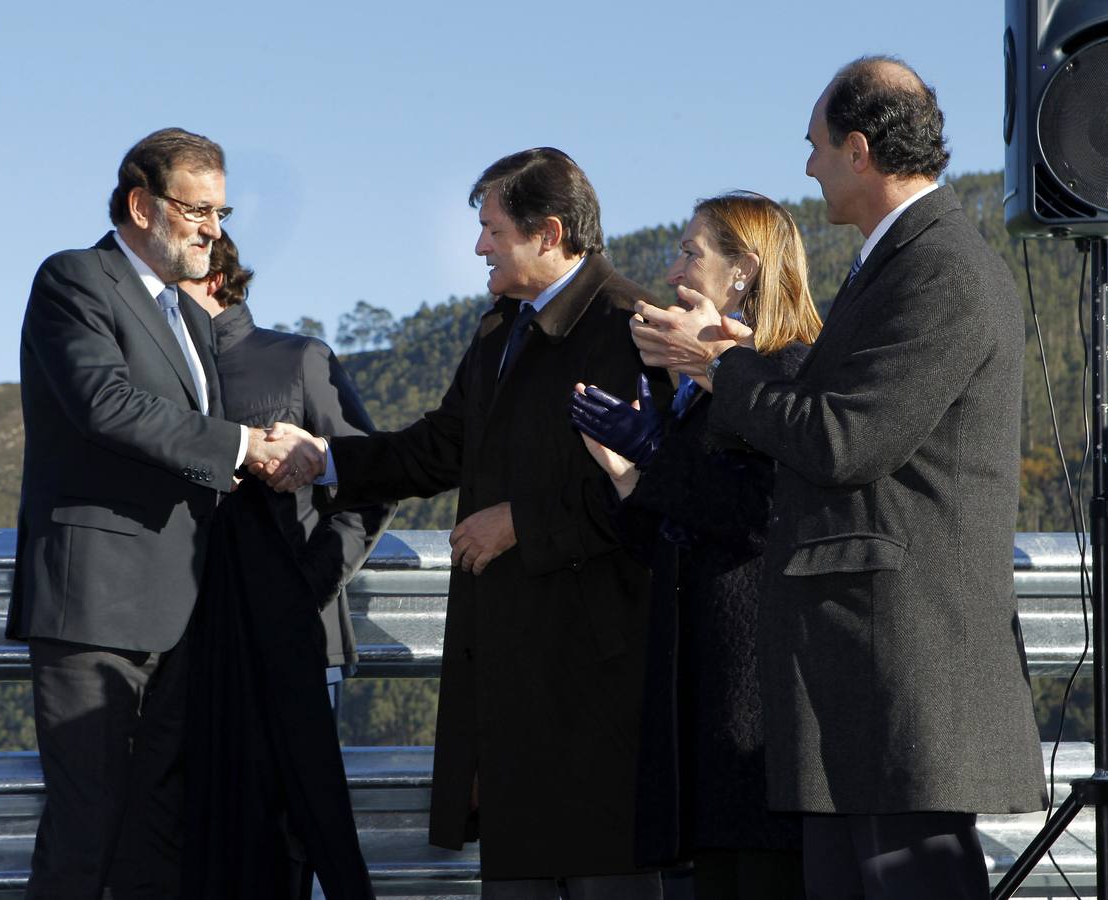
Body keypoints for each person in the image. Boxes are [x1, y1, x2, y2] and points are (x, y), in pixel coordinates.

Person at [627, 57, 1047, 899]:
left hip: (901, 667)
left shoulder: (941, 269)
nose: (808, 166)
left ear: (859, 149)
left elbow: (845, 439)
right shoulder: (893, 263)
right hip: (859, 666)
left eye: (816, 146)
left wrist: (719, 370)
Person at [263, 148, 671, 898]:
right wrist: (326, 459)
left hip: (599, 685)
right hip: (512, 682)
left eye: (491, 229)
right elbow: (440, 447)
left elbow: (656, 497)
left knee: (608, 876)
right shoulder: (499, 332)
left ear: (548, 233)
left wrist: (521, 522)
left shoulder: (629, 329)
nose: (480, 246)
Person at [8, 128, 323, 899]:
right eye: (198, 210)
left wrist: (286, 457)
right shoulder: (75, 280)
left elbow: (197, 448)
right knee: (89, 833)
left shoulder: (188, 321)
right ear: (142, 205)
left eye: (221, 211)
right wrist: (245, 446)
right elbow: (106, 406)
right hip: (95, 613)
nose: (214, 229)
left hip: (182, 616)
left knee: (157, 839)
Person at [570, 191, 820, 899]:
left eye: (692, 250)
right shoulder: (698, 386)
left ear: (743, 269)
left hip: (759, 693)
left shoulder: (788, 371)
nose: (674, 265)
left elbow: (766, 514)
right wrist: (626, 476)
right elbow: (674, 540)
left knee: (764, 875)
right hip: (703, 688)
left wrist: (658, 456)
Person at [177, 234, 392, 899]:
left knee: (305, 831)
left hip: (302, 643)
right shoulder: (162, 377)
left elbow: (369, 483)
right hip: (194, 651)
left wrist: (308, 585)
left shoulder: (298, 359)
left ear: (215, 278)